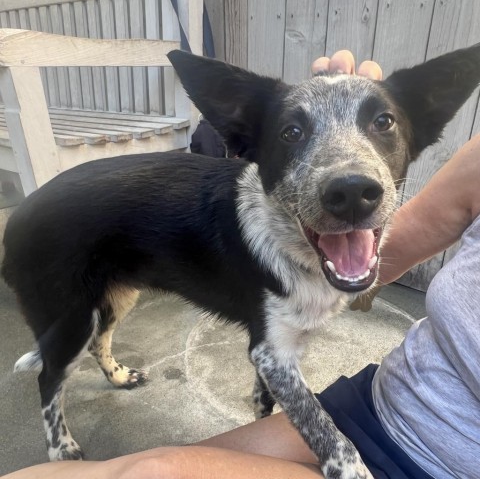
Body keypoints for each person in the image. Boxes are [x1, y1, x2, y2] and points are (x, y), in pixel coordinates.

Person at [3, 50, 480, 479]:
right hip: (60, 232)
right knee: (68, 345)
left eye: (383, 123)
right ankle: (57, 429)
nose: (349, 180)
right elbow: (271, 354)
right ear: (251, 144)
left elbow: (277, 345)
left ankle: (104, 355)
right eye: (291, 132)